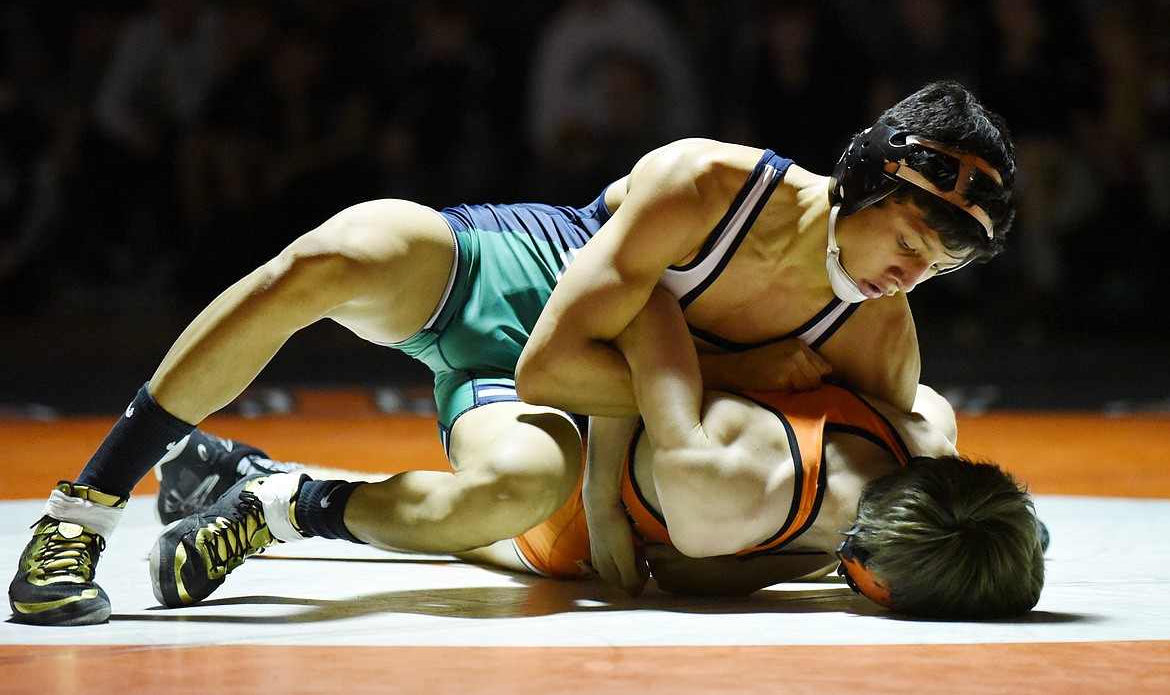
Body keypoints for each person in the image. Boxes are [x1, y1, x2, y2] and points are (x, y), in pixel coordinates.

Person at [9, 80, 1014, 626]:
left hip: (577, 400)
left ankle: (271, 496)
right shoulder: (709, 186)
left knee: (506, 497)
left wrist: (963, 556)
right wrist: (739, 378)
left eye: (937, 267)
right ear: (866, 181)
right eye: (910, 244)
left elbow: (901, 482)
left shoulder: (882, 332)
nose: (911, 275)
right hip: (524, 276)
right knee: (326, 259)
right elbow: (549, 357)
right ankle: (81, 513)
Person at [147, 286, 1043, 619]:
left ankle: (240, 471)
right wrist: (610, 502)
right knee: (497, 514)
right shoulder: (721, 489)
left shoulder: (923, 414)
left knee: (542, 536)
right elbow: (641, 302)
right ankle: (283, 501)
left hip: (603, 365)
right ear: (872, 576)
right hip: (563, 421)